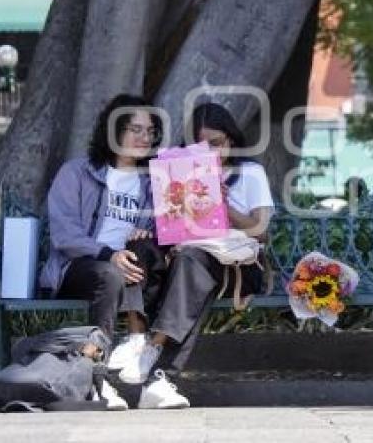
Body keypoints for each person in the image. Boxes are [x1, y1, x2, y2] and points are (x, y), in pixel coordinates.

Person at [114, 102, 274, 409]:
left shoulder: (251, 173)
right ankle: (148, 361)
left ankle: (154, 350)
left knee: (192, 266)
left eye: (217, 144)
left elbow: (262, 232)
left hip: (237, 262)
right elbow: (172, 226)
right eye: (202, 147)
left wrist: (223, 208)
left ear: (231, 139)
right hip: (190, 259)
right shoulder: (182, 174)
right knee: (154, 254)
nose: (211, 153)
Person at [40, 94, 164, 411]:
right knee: (110, 273)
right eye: (135, 129)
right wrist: (108, 253)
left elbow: (174, 226)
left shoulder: (153, 182)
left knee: (140, 252)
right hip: (81, 266)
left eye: (150, 132)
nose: (144, 138)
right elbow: (65, 235)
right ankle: (98, 380)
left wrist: (150, 232)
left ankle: (141, 347)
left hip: (134, 268)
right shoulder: (78, 172)